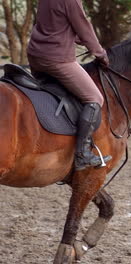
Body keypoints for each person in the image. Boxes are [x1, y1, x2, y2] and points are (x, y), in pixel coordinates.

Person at [27, 0, 112, 171]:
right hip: (57, 59)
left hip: (35, 56)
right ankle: (82, 154)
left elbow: (54, 23)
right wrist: (101, 54)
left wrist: (75, 36)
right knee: (94, 98)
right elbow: (84, 27)